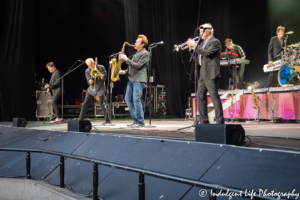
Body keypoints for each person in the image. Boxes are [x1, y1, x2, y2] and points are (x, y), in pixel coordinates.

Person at [187, 23, 224, 124]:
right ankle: (204, 121)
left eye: (201, 32)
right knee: (200, 96)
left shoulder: (215, 42)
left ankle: (220, 121)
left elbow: (207, 53)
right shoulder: (202, 43)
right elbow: (198, 54)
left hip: (211, 73)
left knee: (214, 96)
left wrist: (195, 46)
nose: (199, 34)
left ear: (207, 31)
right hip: (203, 73)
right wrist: (191, 47)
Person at [119, 35, 149, 127]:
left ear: (142, 44)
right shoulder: (136, 54)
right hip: (131, 79)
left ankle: (140, 121)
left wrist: (126, 59)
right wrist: (124, 72)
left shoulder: (145, 54)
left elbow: (137, 66)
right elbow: (132, 67)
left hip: (139, 79)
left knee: (136, 99)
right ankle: (136, 120)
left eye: (137, 42)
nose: (135, 43)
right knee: (128, 99)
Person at [79, 58, 111, 125]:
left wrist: (98, 72)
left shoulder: (101, 67)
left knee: (102, 104)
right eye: (89, 66)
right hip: (92, 89)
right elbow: (89, 82)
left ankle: (108, 121)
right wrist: (90, 80)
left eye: (91, 65)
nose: (90, 67)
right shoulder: (87, 71)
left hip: (100, 88)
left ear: (94, 62)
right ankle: (80, 120)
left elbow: (104, 78)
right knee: (84, 104)